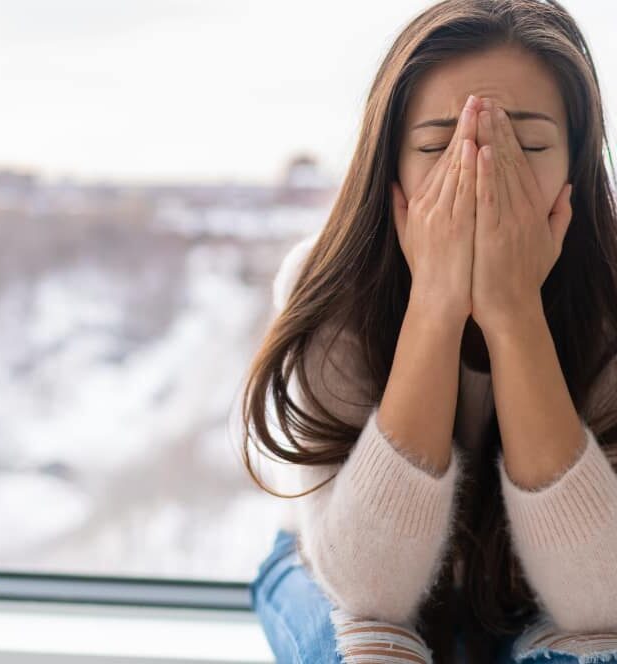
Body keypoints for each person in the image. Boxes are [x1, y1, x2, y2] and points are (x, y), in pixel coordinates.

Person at [237, 1, 617, 662]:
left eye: (525, 147)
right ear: (392, 169)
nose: (481, 180)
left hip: (537, 596)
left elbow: (602, 596)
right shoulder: (328, 288)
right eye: (439, 147)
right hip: (332, 570)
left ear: (576, 167)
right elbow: (369, 590)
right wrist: (437, 304)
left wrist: (513, 311)